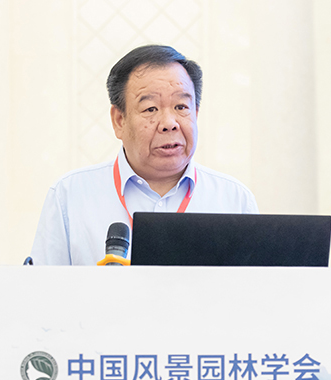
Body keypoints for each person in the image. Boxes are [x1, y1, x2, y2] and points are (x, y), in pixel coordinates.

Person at [30, 44, 258, 265]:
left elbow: (255, 288)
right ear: (119, 121)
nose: (169, 123)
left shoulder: (234, 201)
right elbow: (41, 288)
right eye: (151, 109)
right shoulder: (69, 196)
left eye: (181, 107)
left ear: (195, 114)